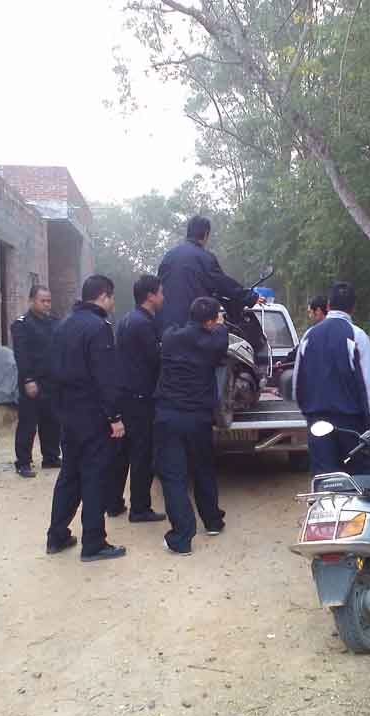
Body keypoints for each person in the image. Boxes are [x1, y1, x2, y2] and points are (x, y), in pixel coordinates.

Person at [45, 275, 127, 562]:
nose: (113, 303)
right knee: (94, 476)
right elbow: (105, 377)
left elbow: (51, 371)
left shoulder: (63, 325)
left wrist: (59, 409)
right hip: (92, 416)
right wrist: (114, 416)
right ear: (103, 296)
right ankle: (94, 543)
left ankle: (57, 536)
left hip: (68, 414)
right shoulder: (99, 328)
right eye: (112, 297)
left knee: (69, 475)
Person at [153, 297, 229, 555]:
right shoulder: (214, 342)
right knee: (203, 469)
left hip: (168, 416)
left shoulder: (170, 337)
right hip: (198, 418)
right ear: (210, 321)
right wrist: (220, 323)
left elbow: (180, 330)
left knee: (174, 477)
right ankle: (213, 521)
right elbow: (220, 336)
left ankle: (182, 538)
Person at [294, 281, 370, 475]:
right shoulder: (357, 336)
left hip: (317, 422)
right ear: (353, 308)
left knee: (325, 479)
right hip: (351, 425)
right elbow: (369, 389)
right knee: (359, 480)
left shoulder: (308, 336)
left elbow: (297, 383)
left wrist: (308, 414)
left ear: (328, 305)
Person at [109, 274, 167, 523]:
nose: (164, 297)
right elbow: (155, 359)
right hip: (141, 397)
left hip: (125, 394)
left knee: (122, 453)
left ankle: (113, 503)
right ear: (150, 296)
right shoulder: (144, 324)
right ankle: (140, 508)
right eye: (161, 293)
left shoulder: (126, 320)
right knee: (142, 454)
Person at [156, 215, 261, 332]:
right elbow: (222, 283)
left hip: (166, 328)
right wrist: (250, 297)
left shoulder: (169, 256)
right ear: (206, 234)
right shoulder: (205, 257)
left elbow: (158, 285)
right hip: (192, 327)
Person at [11, 285, 61, 478]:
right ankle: (23, 462)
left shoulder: (54, 323)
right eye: (43, 301)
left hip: (51, 381)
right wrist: (28, 379)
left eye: (49, 300)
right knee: (28, 423)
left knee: (52, 421)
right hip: (32, 381)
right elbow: (21, 355)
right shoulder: (22, 325)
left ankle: (51, 457)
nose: (47, 304)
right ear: (32, 300)